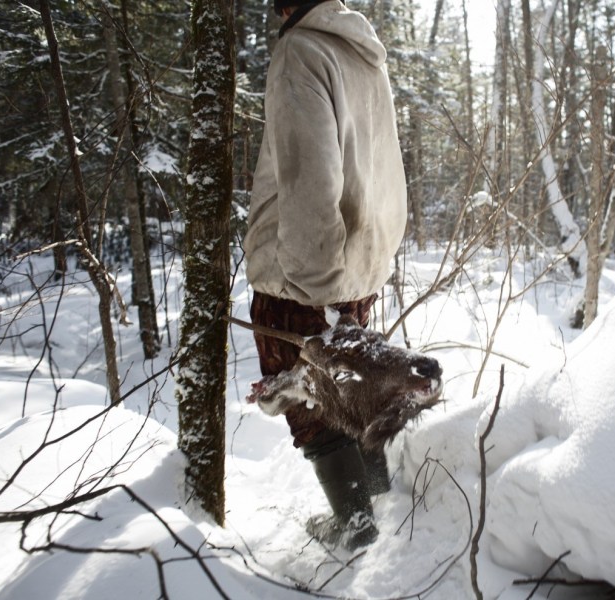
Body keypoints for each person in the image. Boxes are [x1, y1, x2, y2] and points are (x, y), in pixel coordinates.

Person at [243, 0, 407, 550]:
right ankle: (385, 510)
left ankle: (356, 530)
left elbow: (311, 177)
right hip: (358, 261)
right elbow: (385, 168)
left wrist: (315, 282)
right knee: (350, 390)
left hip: (306, 273)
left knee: (312, 404)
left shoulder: (301, 52)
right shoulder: (363, 55)